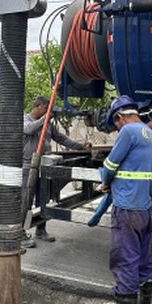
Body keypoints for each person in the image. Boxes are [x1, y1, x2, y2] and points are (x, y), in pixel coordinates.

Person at [96, 95, 152, 304]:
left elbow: (111, 165)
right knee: (142, 256)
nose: (117, 128)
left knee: (124, 258)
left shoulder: (128, 132)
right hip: (145, 208)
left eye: (115, 124)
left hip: (126, 208)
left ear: (120, 117)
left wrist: (105, 182)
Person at [23, 95, 89, 248]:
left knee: (43, 200)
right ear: (38, 106)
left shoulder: (48, 124)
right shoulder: (25, 120)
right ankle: (20, 233)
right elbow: (29, 130)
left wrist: (80, 146)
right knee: (26, 200)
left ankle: (41, 230)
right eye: (46, 108)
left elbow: (61, 138)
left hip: (44, 167)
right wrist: (45, 119)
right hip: (28, 167)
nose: (49, 112)